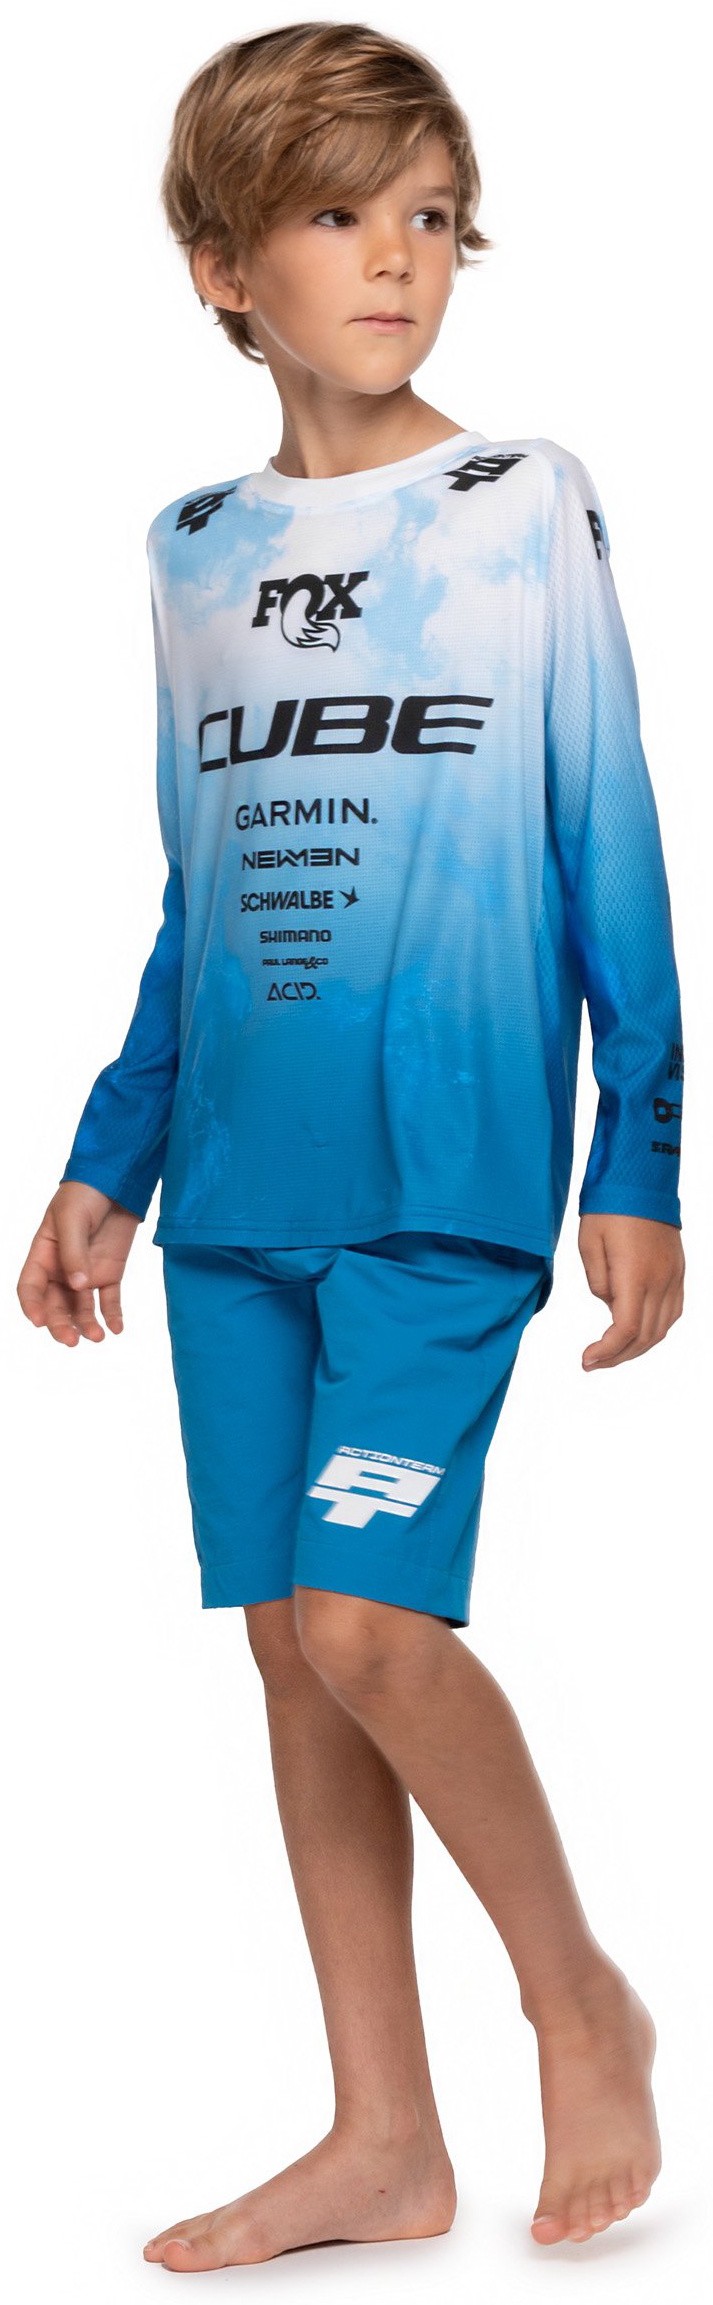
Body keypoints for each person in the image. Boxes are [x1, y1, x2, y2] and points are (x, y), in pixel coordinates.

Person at [17, 19, 685, 2275]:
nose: (396, 257)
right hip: (236, 1194)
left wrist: (641, 1152)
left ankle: (579, 2000)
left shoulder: (520, 503)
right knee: (290, 1655)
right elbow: (200, 886)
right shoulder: (189, 548)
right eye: (335, 215)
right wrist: (111, 1154)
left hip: (447, 1176)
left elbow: (611, 836)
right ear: (223, 267)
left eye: (429, 216)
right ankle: (382, 2134)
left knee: (369, 1622)